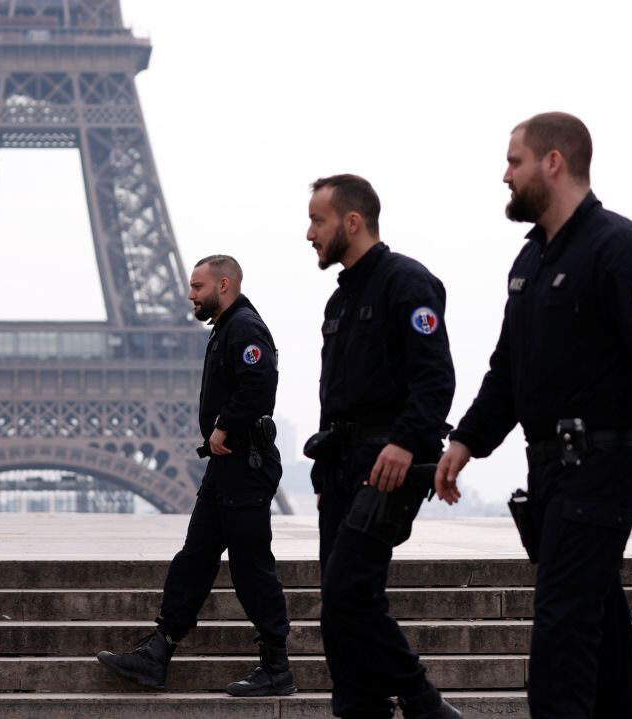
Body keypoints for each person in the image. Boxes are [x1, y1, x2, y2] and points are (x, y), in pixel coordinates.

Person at [434, 112, 632, 718]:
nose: (505, 175)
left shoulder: (621, 248)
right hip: (552, 471)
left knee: (560, 635)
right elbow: (508, 371)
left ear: (552, 162)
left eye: (514, 161)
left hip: (605, 463)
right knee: (597, 625)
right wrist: (466, 441)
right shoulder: (529, 263)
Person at [97, 254, 295, 697]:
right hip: (225, 467)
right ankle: (157, 654)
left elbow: (260, 384)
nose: (190, 295)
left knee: (251, 567)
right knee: (195, 559)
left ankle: (277, 666)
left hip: (244, 464)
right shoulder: (226, 327)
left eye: (198, 287)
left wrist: (225, 424)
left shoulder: (243, 327)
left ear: (224, 285)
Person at [305, 174, 460, 719]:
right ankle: (360, 708)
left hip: (387, 466)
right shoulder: (340, 300)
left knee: (350, 592)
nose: (308, 233)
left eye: (317, 220)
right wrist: (325, 479)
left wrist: (403, 444)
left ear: (352, 222)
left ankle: (422, 700)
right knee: (336, 606)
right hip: (344, 466)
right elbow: (335, 398)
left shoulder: (408, 283)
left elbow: (435, 380)